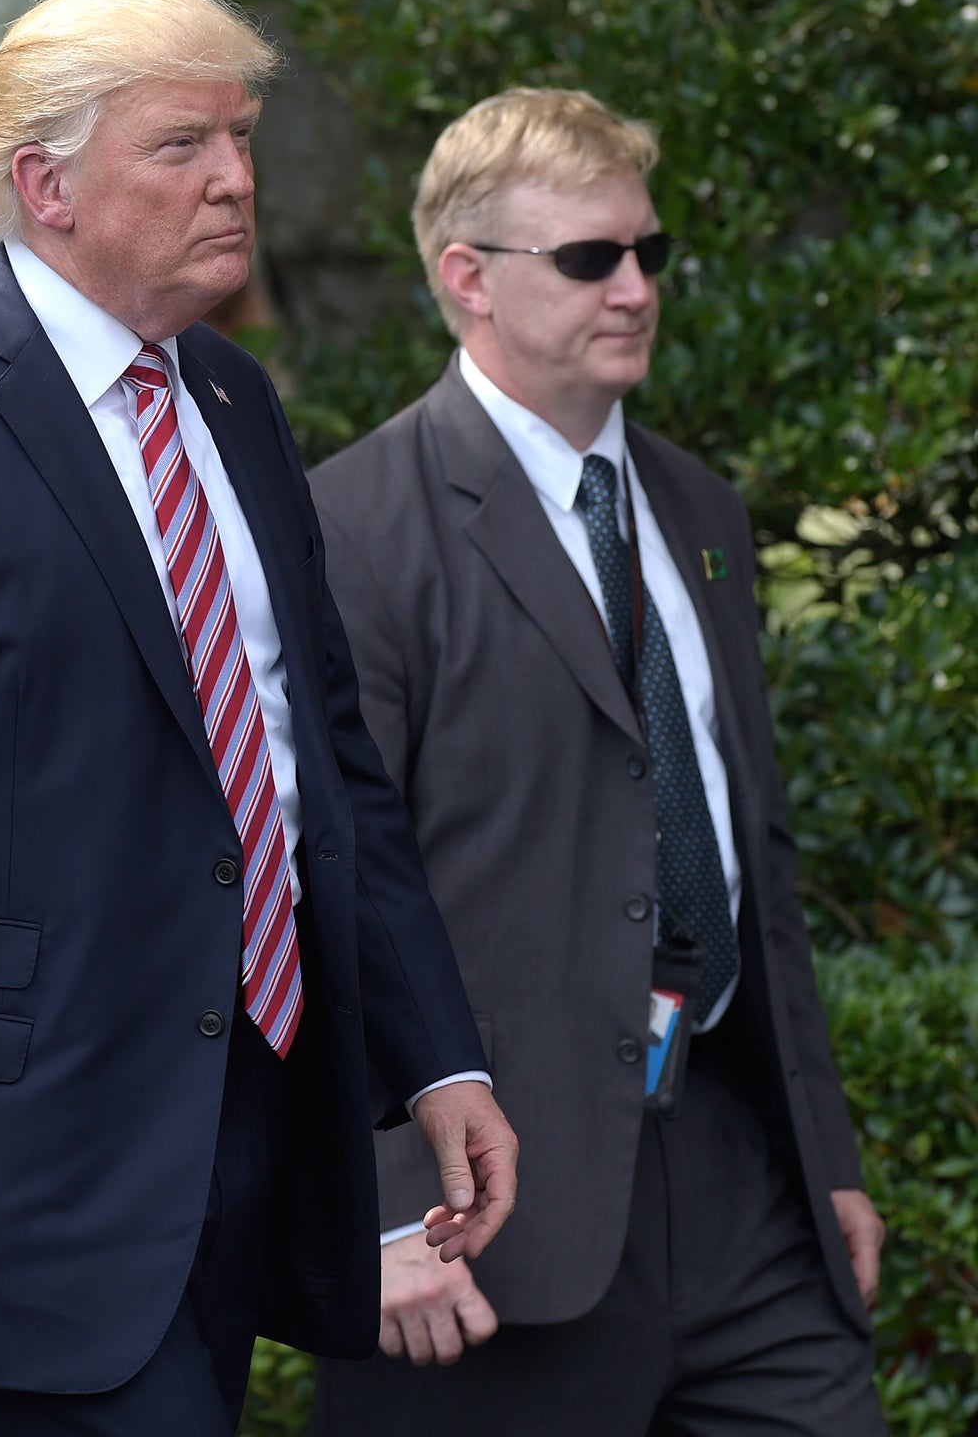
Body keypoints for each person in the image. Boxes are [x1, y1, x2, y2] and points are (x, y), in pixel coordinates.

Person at [0, 0, 521, 1437]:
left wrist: (435, 1053)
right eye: (183, 145)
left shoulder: (231, 400)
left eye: (243, 139)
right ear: (43, 185)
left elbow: (316, 759)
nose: (237, 181)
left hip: (237, 1137)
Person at [306, 87, 886, 1434]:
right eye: (588, 259)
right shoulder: (351, 527)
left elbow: (760, 860)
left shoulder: (697, 506)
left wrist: (829, 1164)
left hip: (745, 1191)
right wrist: (384, 1212)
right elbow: (319, 891)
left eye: (649, 254)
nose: (634, 289)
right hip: (490, 1220)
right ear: (468, 279)